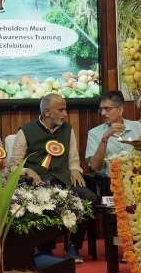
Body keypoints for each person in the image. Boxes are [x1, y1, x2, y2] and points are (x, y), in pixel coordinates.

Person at [9, 93, 97, 263]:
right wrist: (28, 171)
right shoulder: (26, 131)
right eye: (61, 110)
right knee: (43, 199)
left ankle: (73, 245)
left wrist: (75, 169)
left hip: (64, 181)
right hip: (40, 184)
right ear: (47, 112)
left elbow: (73, 159)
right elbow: (13, 166)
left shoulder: (67, 129)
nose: (65, 114)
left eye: (65, 109)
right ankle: (44, 246)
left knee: (90, 198)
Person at [85, 90, 141, 181]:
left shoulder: (139, 127)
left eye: (107, 109)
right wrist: (105, 138)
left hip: (139, 180)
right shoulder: (94, 133)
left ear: (120, 110)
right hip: (110, 183)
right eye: (101, 109)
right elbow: (95, 167)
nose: (103, 113)